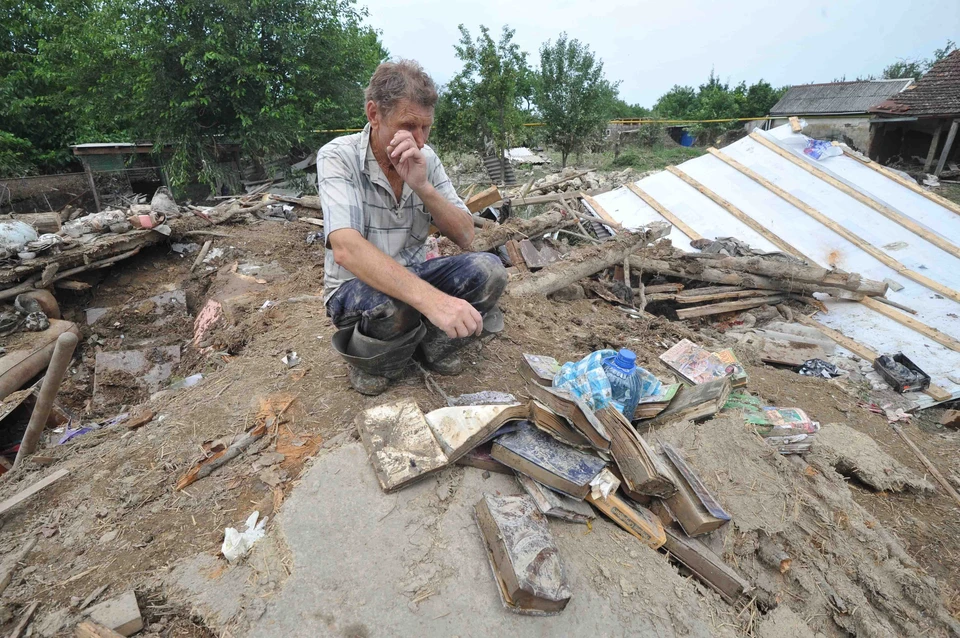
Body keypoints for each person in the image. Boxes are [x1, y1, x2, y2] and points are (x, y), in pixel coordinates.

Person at [318, 60, 507, 395]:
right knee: (392, 305)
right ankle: (375, 362)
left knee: (489, 270)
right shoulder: (338, 157)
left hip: (413, 276)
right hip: (355, 289)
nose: (419, 140)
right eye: (408, 126)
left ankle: (431, 346)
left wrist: (424, 187)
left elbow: (465, 236)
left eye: (426, 128)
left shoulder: (426, 159)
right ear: (374, 114)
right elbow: (346, 249)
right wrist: (433, 302)